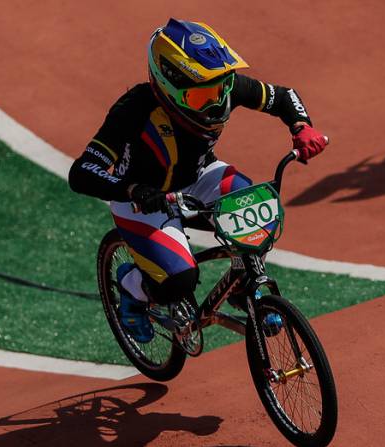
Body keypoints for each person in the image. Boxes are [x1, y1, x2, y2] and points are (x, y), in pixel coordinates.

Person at [68, 18, 328, 343]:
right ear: (167, 87)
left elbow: (284, 97)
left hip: (198, 177)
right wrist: (132, 189)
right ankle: (133, 286)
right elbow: (81, 172)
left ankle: (243, 286)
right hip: (142, 201)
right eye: (200, 96)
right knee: (179, 280)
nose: (216, 102)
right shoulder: (133, 109)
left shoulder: (224, 88)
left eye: (220, 90)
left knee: (256, 209)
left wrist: (302, 127)